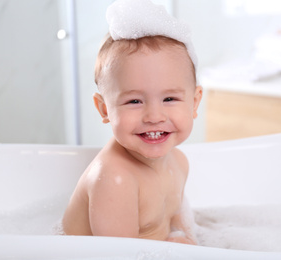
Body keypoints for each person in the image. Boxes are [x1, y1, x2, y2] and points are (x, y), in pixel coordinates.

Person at [62, 0, 202, 245]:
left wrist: (185, 239)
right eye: (135, 101)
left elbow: (179, 222)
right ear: (104, 109)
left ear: (195, 103)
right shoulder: (115, 179)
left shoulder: (179, 163)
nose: (154, 116)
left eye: (169, 98)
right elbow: (118, 255)